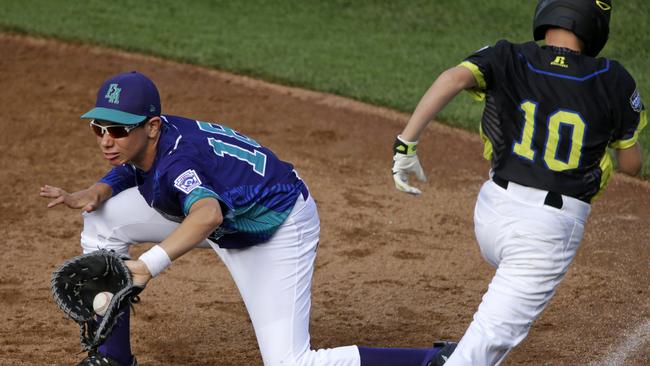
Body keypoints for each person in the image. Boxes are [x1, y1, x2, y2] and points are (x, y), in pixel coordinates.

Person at [41, 70, 457, 366]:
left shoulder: (178, 161)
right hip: (225, 212)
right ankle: (112, 359)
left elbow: (206, 214)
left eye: (118, 130)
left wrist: (148, 265)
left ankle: (433, 360)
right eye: (99, 129)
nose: (107, 140)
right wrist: (100, 189)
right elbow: (137, 165)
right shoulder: (154, 141)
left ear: (151, 126)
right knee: (102, 219)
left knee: (290, 362)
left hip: (272, 227)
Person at [391, 0, 646, 365]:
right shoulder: (613, 78)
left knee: (487, 336)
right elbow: (632, 164)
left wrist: (406, 143)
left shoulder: (509, 55)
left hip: (490, 215)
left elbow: (453, 78)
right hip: (544, 236)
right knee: (480, 353)